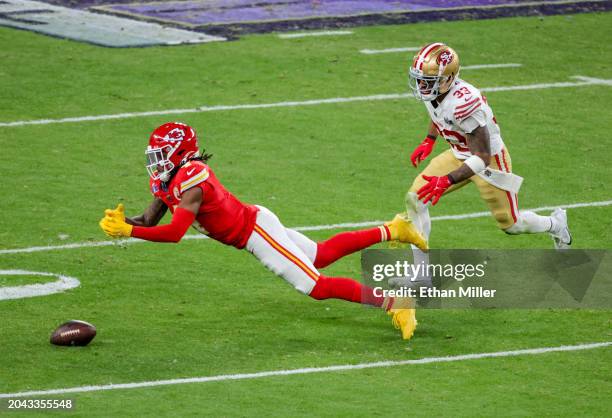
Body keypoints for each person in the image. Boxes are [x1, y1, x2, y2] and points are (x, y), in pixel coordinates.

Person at [99, 122, 428, 340]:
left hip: (255, 232)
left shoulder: (192, 178)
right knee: (322, 254)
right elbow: (150, 219)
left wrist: (129, 233)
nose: (156, 162)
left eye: (161, 155)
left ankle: (395, 302)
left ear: (180, 152)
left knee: (314, 286)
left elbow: (174, 233)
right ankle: (396, 228)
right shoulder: (170, 179)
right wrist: (125, 223)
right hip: (255, 223)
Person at [403, 43, 572, 285]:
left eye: (427, 80)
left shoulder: (464, 103)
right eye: (420, 79)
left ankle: (556, 224)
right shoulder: (436, 89)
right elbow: (437, 111)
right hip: (459, 153)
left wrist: (447, 180)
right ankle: (421, 276)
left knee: (511, 224)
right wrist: (429, 140)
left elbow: (481, 157)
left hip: (489, 161)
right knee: (415, 199)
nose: (421, 86)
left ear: (448, 78)